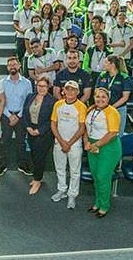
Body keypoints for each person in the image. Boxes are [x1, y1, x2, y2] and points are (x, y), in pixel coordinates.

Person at [84, 87, 122, 218]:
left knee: (102, 177)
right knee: (95, 176)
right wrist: (86, 142)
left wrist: (96, 144)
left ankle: (104, 206)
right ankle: (97, 202)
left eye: (103, 97)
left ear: (108, 99)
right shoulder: (90, 109)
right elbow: (85, 127)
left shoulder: (112, 112)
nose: (100, 99)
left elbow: (112, 133)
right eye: (98, 96)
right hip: (92, 146)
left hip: (108, 148)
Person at [50, 80, 86, 209]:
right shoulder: (58, 104)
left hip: (75, 144)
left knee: (75, 171)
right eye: (67, 89)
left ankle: (72, 195)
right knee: (60, 168)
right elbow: (53, 124)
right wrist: (61, 141)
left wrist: (69, 143)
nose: (70, 92)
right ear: (63, 91)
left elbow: (82, 128)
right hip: (59, 142)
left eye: (73, 89)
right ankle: (62, 189)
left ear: (78, 92)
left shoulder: (82, 106)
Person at [0, 57, 33, 177]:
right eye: (10, 65)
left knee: (21, 142)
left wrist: (18, 116)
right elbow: (0, 101)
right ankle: (2, 165)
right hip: (6, 115)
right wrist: (9, 115)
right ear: (7, 68)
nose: (12, 67)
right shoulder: (2, 82)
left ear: (19, 66)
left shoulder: (27, 83)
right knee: (4, 141)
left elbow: (28, 102)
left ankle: (22, 165)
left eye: (14, 64)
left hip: (21, 116)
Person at [22, 77, 55, 195]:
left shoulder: (52, 101)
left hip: (44, 134)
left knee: (39, 157)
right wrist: (28, 128)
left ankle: (37, 180)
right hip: (31, 131)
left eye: (44, 86)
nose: (41, 88)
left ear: (48, 87)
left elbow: (51, 120)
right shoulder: (30, 96)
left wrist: (39, 131)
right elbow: (25, 113)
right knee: (34, 155)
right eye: (39, 85)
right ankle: (37, 176)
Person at [95, 55, 133, 137]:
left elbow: (125, 97)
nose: (104, 64)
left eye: (106, 62)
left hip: (119, 109)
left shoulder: (124, 77)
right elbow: (96, 91)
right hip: (103, 109)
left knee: (117, 135)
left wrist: (112, 107)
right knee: (102, 134)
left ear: (112, 64)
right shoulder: (102, 75)